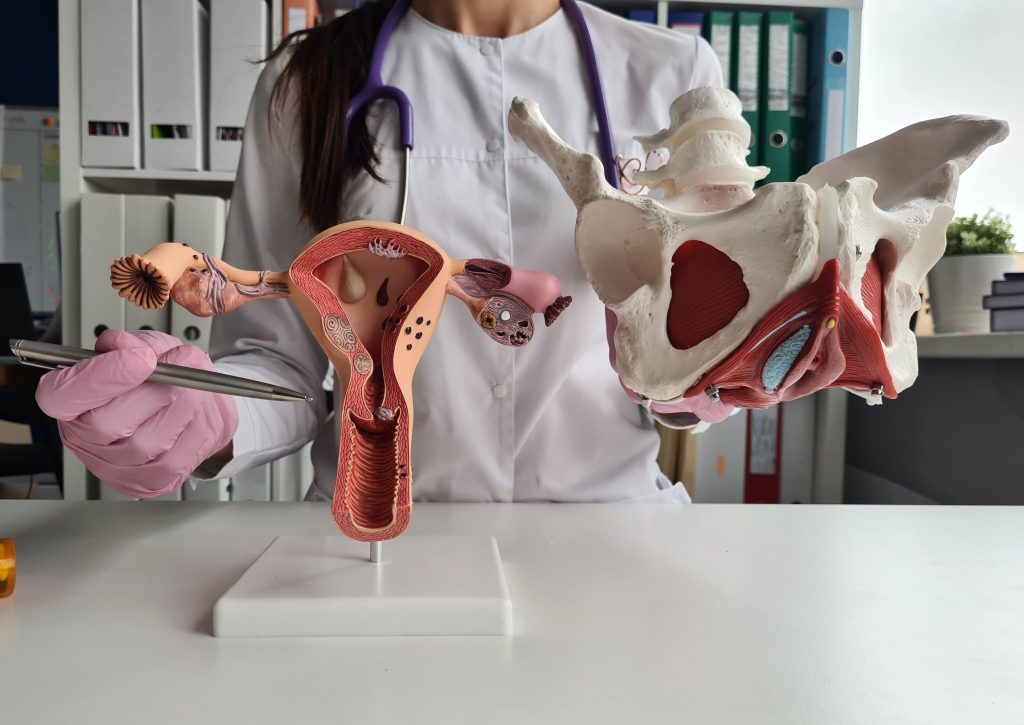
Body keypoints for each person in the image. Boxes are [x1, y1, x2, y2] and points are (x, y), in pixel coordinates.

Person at [37, 0, 723, 503]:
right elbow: (281, 361)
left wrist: (722, 366)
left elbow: (693, 356)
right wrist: (206, 414)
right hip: (375, 536)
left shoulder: (675, 75)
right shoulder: (308, 81)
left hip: (610, 528)